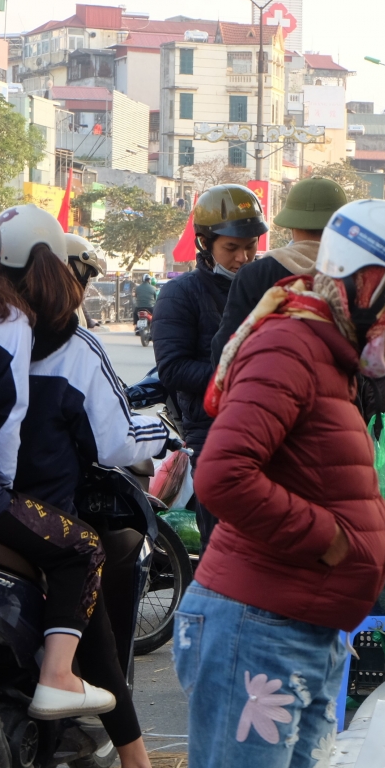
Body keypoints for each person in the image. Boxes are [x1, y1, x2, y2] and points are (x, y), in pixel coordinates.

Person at [178, 200, 385, 768]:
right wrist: (330, 540)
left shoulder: (329, 356)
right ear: (373, 286)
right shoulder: (290, 347)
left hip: (300, 628)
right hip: (256, 631)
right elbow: (223, 473)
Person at [1, 203, 170, 768]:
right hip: (26, 511)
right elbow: (118, 441)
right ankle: (137, 765)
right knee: (85, 574)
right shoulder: (73, 345)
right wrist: (166, 433)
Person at [0, 198, 114, 723]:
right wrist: (0, 491)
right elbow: (7, 423)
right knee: (83, 547)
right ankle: (58, 677)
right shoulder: (6, 318)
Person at [153, 184, 265, 546]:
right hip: (212, 435)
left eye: (250, 247)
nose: (243, 258)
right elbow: (173, 369)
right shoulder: (180, 294)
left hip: (266, 431)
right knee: (224, 545)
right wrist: (241, 378)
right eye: (231, 248)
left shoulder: (267, 287)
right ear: (205, 243)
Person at [209, 177, 348, 365]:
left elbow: (225, 350)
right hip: (340, 391)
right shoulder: (358, 273)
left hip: (271, 387)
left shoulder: (256, 275)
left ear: (291, 225)